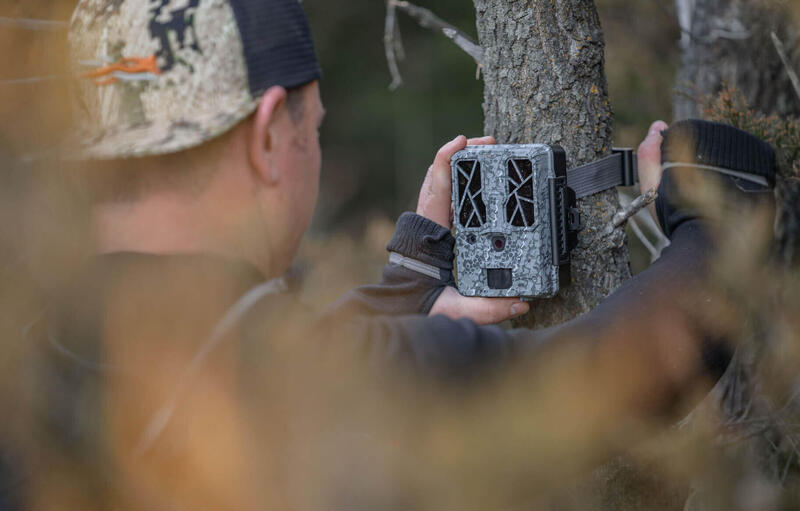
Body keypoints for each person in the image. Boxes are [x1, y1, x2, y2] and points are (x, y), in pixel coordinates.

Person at [14, 0, 777, 508]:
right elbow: (603, 379)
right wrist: (725, 214)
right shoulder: (326, 385)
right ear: (270, 133)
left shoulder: (32, 356)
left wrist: (404, 283)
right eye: (313, 128)